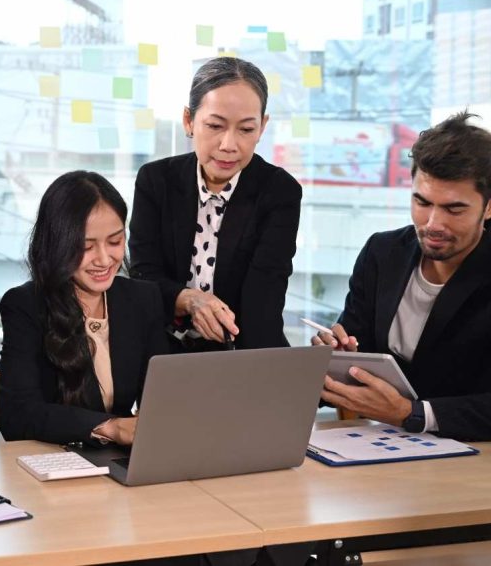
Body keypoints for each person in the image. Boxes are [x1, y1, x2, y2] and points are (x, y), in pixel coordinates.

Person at [314, 111, 491, 441]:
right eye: (421, 202)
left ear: (489, 207)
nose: (433, 223)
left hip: (472, 462)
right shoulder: (383, 253)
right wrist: (337, 358)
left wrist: (412, 414)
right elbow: (356, 346)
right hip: (378, 447)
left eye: (454, 209)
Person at [129, 57, 302, 353]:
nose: (228, 145)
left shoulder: (279, 192)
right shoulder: (156, 181)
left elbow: (263, 301)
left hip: (244, 353)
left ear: (262, 127)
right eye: (215, 126)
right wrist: (190, 299)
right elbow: (144, 279)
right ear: (189, 120)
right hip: (163, 351)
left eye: (246, 130)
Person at [0, 171, 167, 446]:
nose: (104, 259)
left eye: (115, 241)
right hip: (53, 460)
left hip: (122, 462)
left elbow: (163, 398)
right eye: (85, 247)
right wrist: (110, 427)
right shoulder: (25, 306)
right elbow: (16, 416)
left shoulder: (142, 299)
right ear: (57, 245)